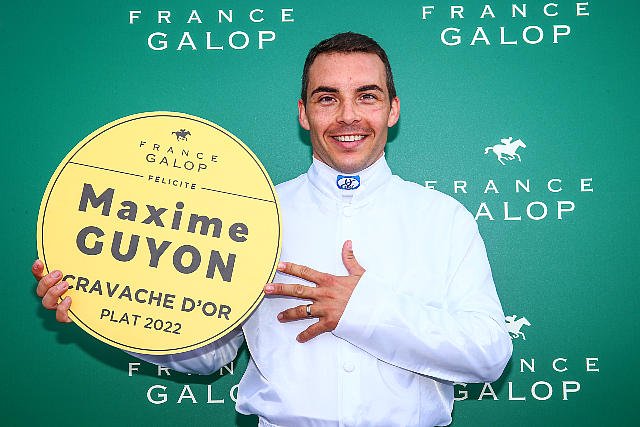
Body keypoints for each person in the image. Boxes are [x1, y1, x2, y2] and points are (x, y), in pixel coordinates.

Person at [33, 32, 512, 426]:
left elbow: (489, 356)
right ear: (304, 113)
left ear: (393, 110)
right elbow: (209, 355)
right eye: (327, 98)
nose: (348, 115)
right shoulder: (251, 216)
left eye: (367, 96)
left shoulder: (443, 218)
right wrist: (108, 310)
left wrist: (363, 309)